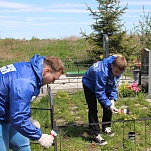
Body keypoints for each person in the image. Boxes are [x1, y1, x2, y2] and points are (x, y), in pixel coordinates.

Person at [0, 54, 65, 151]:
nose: (53, 82)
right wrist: (40, 137)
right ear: (46, 71)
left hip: (6, 114)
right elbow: (18, 117)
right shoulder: (25, 82)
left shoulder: (30, 70)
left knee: (22, 145)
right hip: (3, 116)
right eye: (54, 78)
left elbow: (20, 102)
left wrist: (29, 119)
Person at [82, 54, 127, 146]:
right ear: (112, 66)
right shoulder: (101, 71)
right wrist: (109, 103)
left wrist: (112, 101)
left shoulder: (117, 68)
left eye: (120, 73)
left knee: (108, 106)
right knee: (93, 108)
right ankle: (95, 134)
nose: (117, 74)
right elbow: (99, 92)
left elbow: (114, 86)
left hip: (103, 84)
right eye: (116, 72)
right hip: (89, 84)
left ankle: (106, 126)